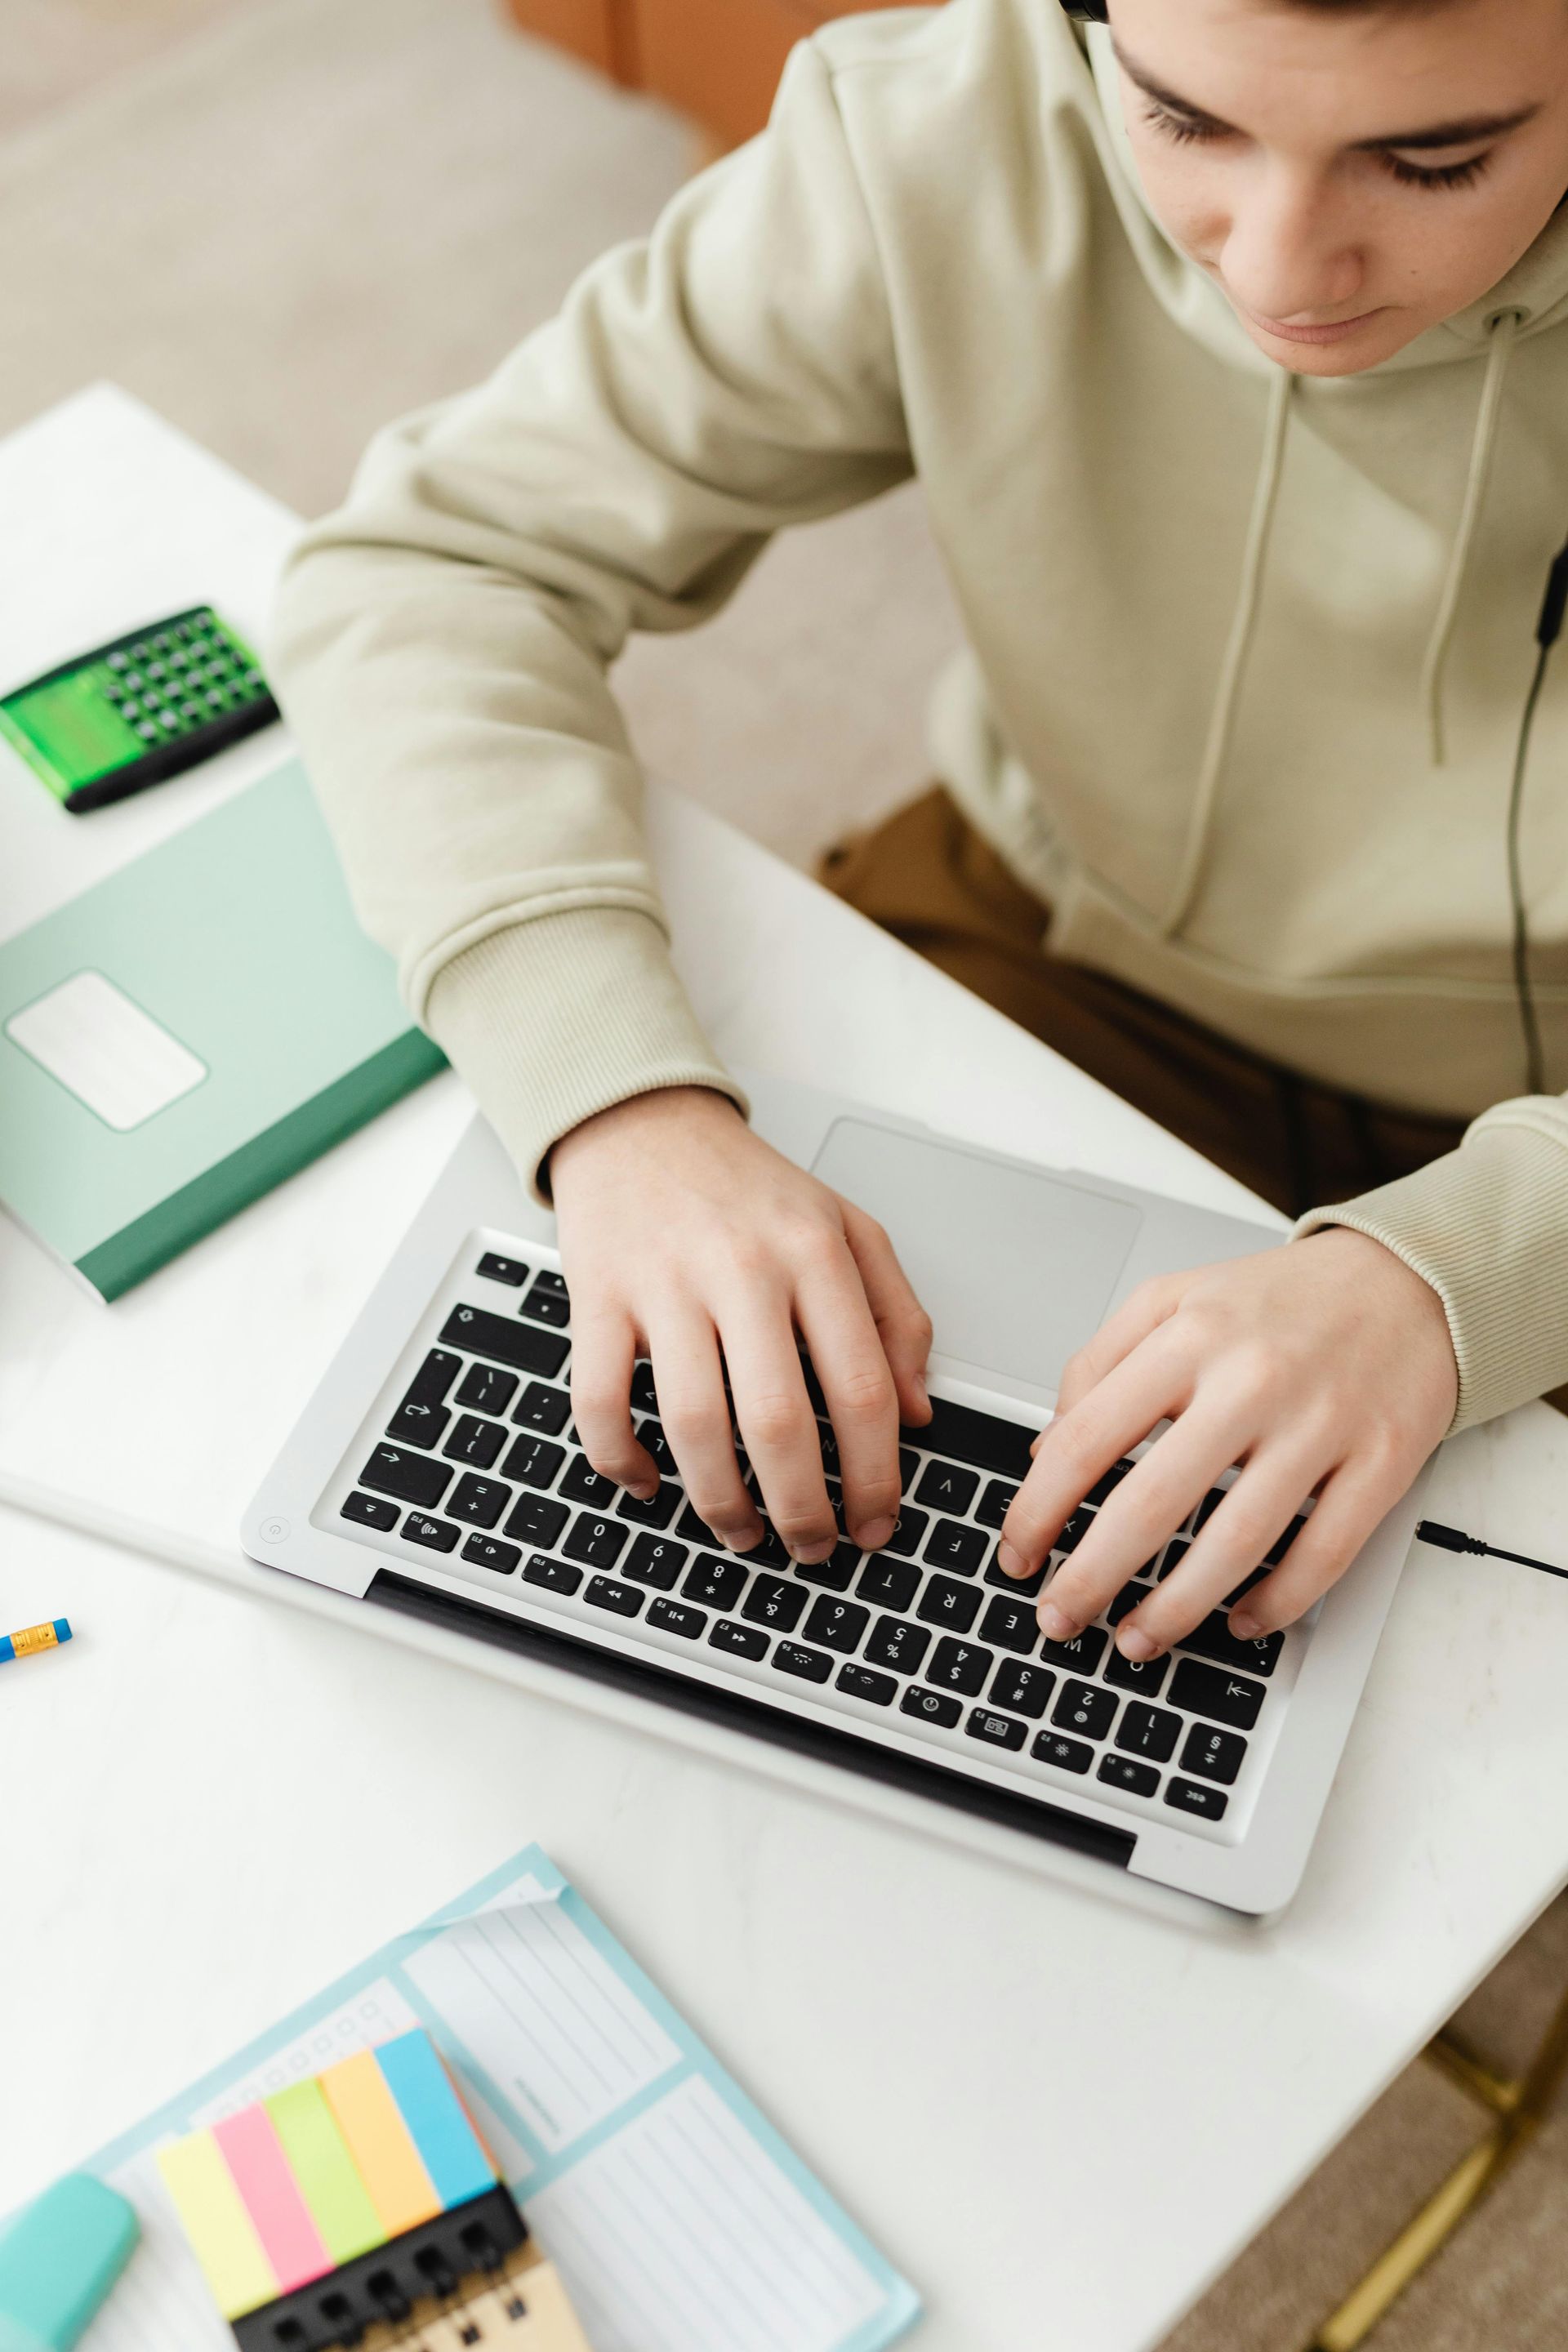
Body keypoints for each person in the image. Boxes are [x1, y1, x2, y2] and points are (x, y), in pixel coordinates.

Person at [272, 0, 1568, 1675]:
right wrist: (618, 1103)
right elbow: (436, 566)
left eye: (1434, 158)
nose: (1280, 267)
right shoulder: (937, 130)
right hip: (1048, 924)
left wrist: (1463, 1273)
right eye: (1182, 122)